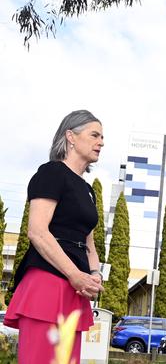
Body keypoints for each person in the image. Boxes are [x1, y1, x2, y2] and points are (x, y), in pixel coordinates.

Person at [4, 110, 105, 363]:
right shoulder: (51, 173)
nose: (101, 142)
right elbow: (37, 231)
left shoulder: (87, 190)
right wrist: (75, 275)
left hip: (77, 289)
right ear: (70, 136)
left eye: (102, 137)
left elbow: (89, 244)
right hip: (47, 285)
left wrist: (94, 276)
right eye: (94, 135)